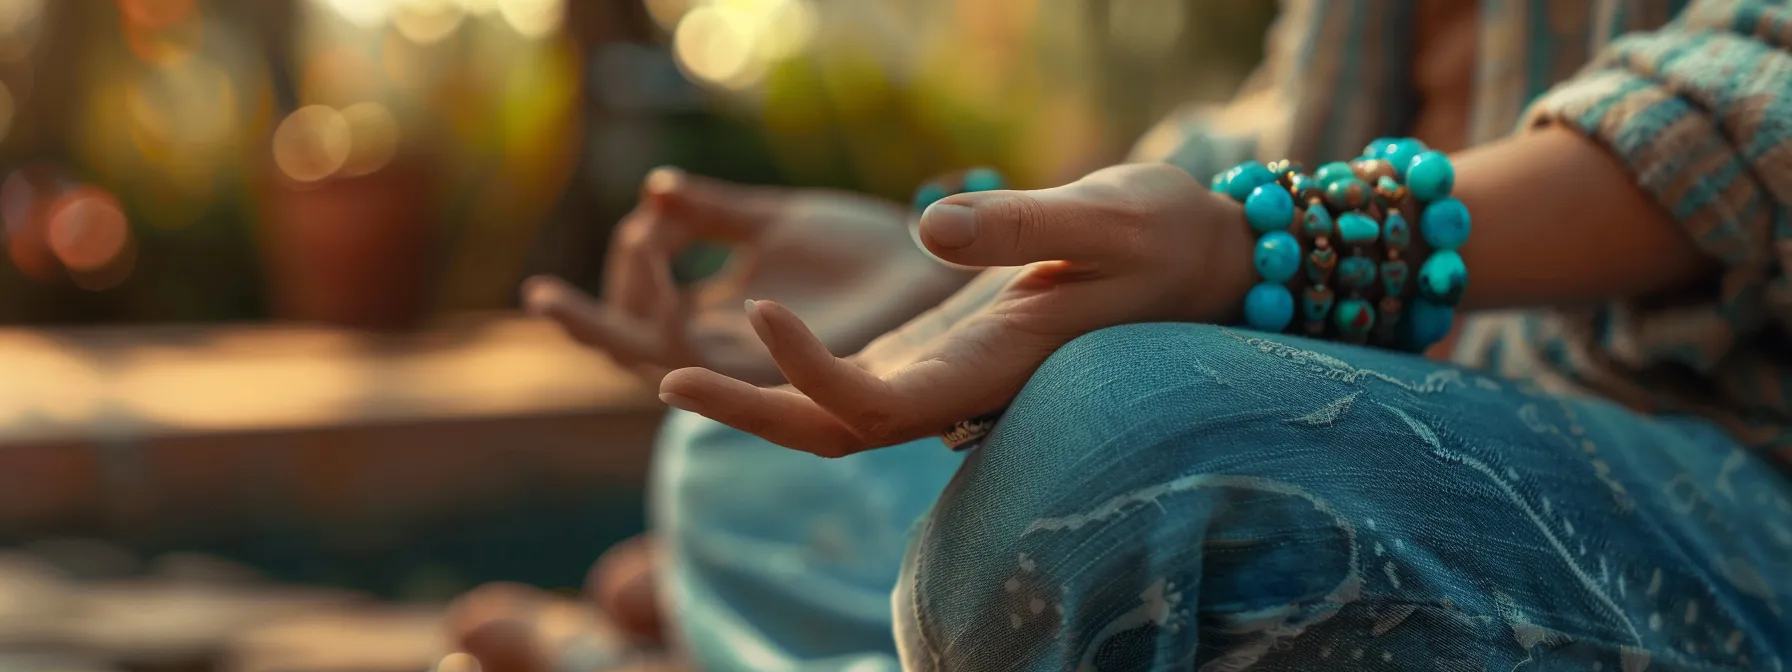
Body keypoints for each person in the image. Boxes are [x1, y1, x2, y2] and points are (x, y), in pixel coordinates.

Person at [481, 0, 1792, 669]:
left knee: (1123, 439)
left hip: (1732, 465)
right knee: (740, 463)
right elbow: (1269, 133)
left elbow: (1759, 95)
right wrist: (927, 251)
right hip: (1443, 390)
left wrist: (1263, 243)